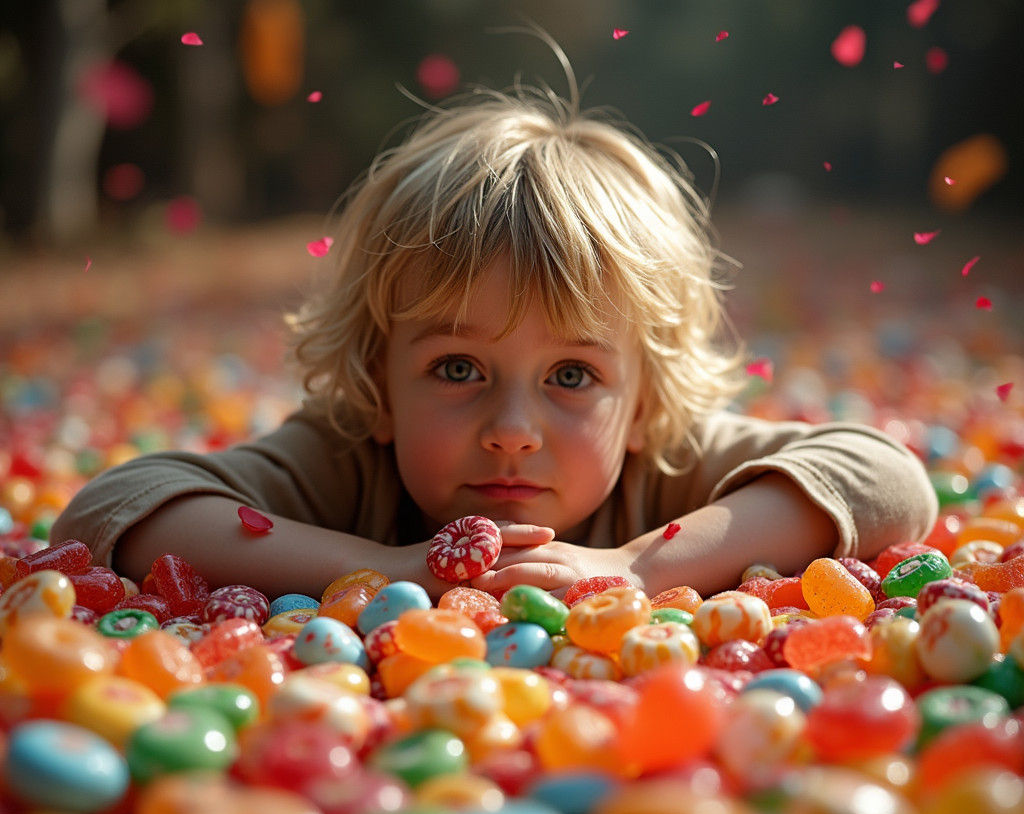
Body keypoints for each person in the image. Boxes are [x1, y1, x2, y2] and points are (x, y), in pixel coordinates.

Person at [52, 65, 937, 603]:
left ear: (643, 404)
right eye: (459, 365)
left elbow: (887, 478)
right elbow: (109, 509)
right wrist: (379, 568)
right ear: (378, 383)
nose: (512, 426)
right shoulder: (346, 459)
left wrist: (636, 570)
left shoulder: (663, 463)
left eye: (572, 376)